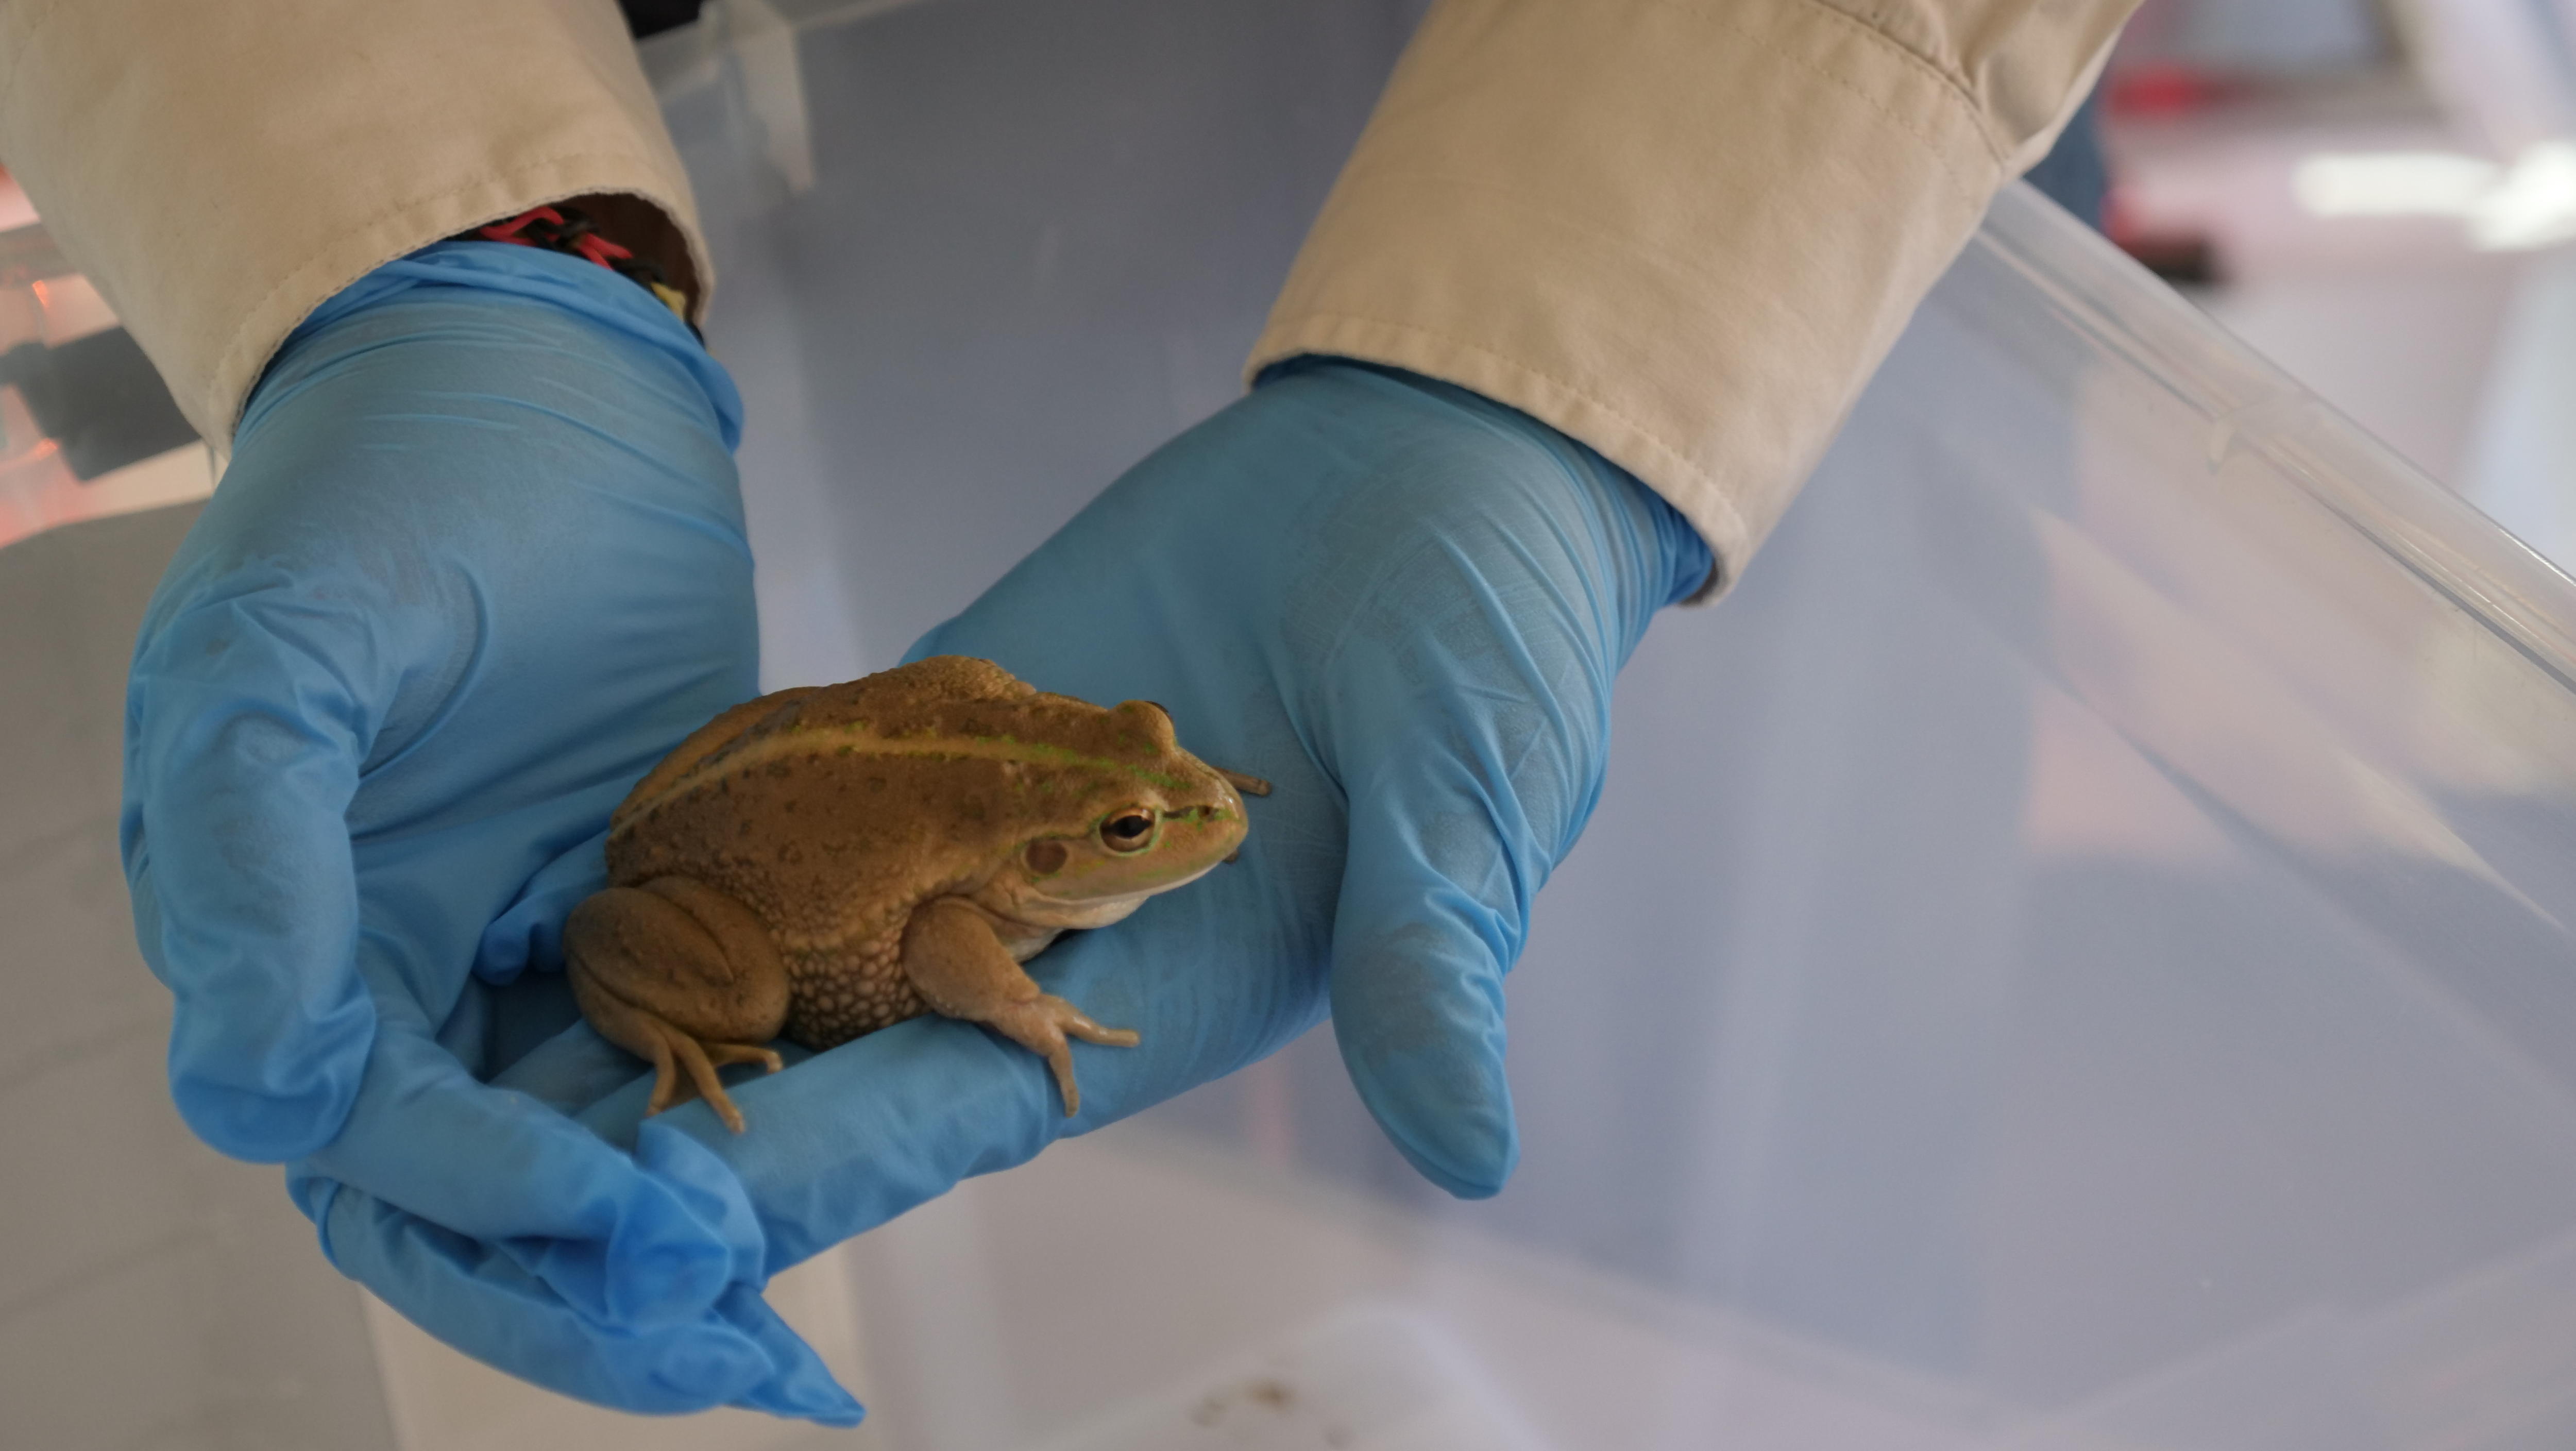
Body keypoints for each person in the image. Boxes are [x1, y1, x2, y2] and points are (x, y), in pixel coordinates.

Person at [0, 0, 2136, 1420]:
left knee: (1739, 1165)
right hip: (758, 193)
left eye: (1151, 797)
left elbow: (997, 869)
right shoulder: (994, 883)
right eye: (1136, 824)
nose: (1179, 805)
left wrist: (1582, 360)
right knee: (1001, 1298)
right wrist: (431, 227)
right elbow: (947, 936)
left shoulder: (1061, 816)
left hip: (1752, 159)